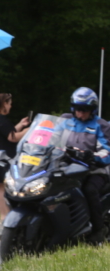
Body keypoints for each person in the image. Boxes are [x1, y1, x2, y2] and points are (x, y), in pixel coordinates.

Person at [59, 87, 110, 243]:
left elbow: (107, 152)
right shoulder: (65, 122)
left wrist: (91, 156)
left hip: (94, 170)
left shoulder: (100, 125)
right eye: (78, 109)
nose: (81, 113)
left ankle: (97, 231)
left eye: (85, 109)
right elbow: (50, 139)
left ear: (92, 109)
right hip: (66, 168)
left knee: (88, 190)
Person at [0, 93, 29, 223]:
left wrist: (21, 124)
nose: (10, 105)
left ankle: (6, 214)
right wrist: (28, 131)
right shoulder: (0, 119)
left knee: (2, 186)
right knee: (0, 186)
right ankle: (4, 215)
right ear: (3, 104)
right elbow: (12, 137)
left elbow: (9, 131)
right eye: (9, 103)